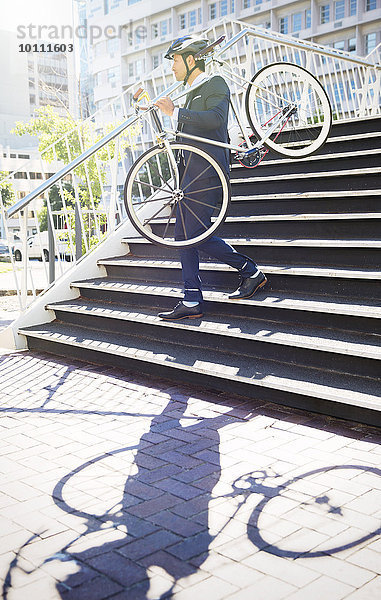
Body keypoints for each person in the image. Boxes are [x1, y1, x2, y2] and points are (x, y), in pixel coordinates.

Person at [155, 35, 267, 321]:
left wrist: (175, 112)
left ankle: (250, 271)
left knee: (195, 235)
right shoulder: (190, 93)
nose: (172, 68)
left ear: (192, 60)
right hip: (189, 178)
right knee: (183, 236)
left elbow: (216, 120)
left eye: (175, 61)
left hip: (208, 174)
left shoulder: (215, 83)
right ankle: (192, 298)